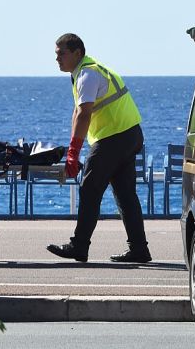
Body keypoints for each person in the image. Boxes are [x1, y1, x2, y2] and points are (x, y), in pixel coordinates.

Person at [46, 33, 152, 263]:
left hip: (113, 137)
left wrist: (73, 153)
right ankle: (139, 249)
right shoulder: (85, 72)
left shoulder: (88, 74)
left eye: (62, 54)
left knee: (89, 190)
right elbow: (78, 113)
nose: (58, 59)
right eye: (56, 55)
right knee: (125, 194)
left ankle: (79, 246)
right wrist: (73, 149)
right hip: (130, 134)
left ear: (77, 53)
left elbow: (84, 114)